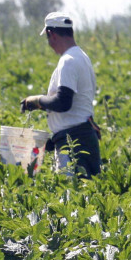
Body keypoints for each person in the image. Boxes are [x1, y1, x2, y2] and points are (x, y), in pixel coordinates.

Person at [21, 12, 101, 178]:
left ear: (51, 34)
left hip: (74, 143)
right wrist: (52, 141)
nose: (49, 44)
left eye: (48, 38)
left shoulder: (68, 61)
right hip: (83, 136)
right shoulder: (82, 57)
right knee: (89, 193)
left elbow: (63, 102)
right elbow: (75, 108)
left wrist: (36, 101)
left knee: (72, 197)